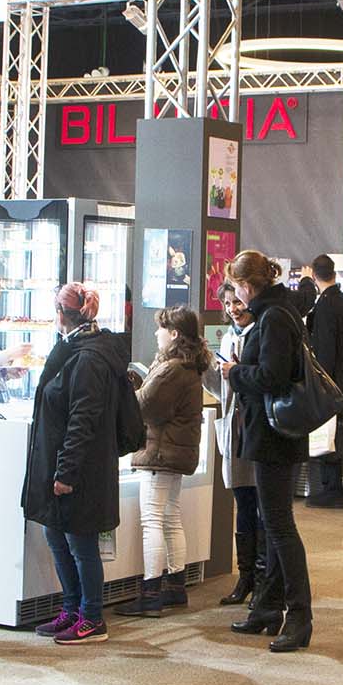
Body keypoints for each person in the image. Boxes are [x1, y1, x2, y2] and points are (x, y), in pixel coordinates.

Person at [21, 284, 134, 644]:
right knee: (56, 534)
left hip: (81, 468)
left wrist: (66, 471)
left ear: (61, 314)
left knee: (81, 544)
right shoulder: (76, 349)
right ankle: (72, 609)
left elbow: (83, 420)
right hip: (64, 462)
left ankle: (92, 617)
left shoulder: (89, 358)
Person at [224, 250, 314, 652]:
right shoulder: (280, 311)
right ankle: (268, 608)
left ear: (246, 285)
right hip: (277, 433)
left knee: (279, 527)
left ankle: (299, 616)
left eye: (236, 287)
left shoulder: (274, 316)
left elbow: (272, 376)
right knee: (274, 523)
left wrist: (235, 372)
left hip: (274, 435)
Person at [125, 306, 211, 617]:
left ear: (174, 334)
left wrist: (129, 388)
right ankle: (175, 587)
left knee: (152, 520)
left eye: (160, 329)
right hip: (175, 452)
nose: (156, 334)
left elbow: (146, 407)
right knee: (170, 517)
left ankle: (150, 593)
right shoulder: (189, 366)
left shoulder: (172, 369)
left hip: (160, 453)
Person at [214, 282, 266, 607]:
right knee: (243, 505)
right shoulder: (227, 337)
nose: (233, 308)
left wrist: (236, 371)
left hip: (258, 432)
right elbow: (223, 388)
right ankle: (245, 577)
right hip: (235, 431)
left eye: (237, 302)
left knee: (262, 509)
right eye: (227, 303)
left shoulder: (260, 334)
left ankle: (262, 581)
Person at [304, 254, 343, 509]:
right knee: (337, 433)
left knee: (328, 434)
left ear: (315, 277)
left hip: (332, 379)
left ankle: (331, 490)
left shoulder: (325, 305)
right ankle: (333, 488)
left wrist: (319, 381)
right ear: (334, 273)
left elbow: (325, 349)